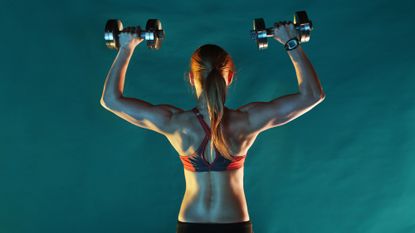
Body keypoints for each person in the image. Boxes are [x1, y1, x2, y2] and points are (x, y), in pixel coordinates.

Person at [100, 20, 325, 233]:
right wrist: (290, 42)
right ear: (230, 78)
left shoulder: (174, 122)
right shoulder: (247, 121)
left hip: (191, 224)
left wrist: (126, 49)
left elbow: (110, 100)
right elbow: (312, 95)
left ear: (190, 78)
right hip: (234, 224)